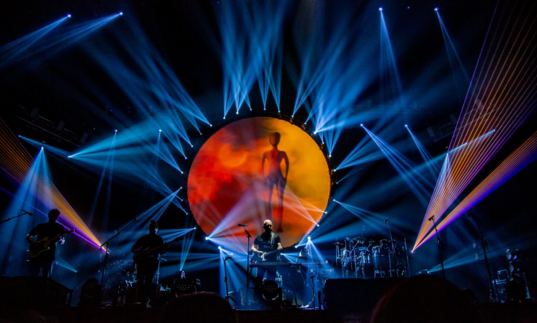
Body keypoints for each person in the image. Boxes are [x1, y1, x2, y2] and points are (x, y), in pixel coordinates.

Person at [26, 209, 66, 278]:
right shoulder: (41, 226)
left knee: (46, 276)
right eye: (53, 215)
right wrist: (33, 243)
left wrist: (60, 240)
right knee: (33, 275)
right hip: (36, 253)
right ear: (49, 215)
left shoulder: (60, 227)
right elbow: (28, 236)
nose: (55, 217)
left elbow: (62, 241)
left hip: (49, 254)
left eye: (56, 216)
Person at [262, 132, 289, 232]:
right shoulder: (266, 153)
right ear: (270, 139)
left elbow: (287, 163)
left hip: (279, 178)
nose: (274, 140)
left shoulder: (282, 153)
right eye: (272, 138)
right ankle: (268, 226)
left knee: (280, 202)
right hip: (270, 177)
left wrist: (285, 176)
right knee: (268, 202)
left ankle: (279, 226)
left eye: (276, 138)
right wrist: (263, 177)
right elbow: (262, 165)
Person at [251, 220, 283, 293]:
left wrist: (279, 248)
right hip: (261, 262)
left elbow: (279, 246)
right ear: (264, 227)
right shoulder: (259, 237)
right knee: (259, 279)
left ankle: (270, 296)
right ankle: (257, 297)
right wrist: (258, 252)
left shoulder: (276, 236)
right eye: (268, 226)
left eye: (271, 225)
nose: (270, 227)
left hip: (272, 262)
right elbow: (252, 247)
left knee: (271, 280)